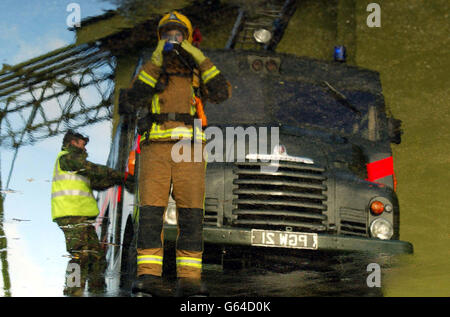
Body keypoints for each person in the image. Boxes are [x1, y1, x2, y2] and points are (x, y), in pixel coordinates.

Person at [121, 11, 231, 296]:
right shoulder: (151, 68)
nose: (173, 39)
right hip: (155, 149)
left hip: (190, 152)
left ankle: (190, 279)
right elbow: (133, 97)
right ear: (160, 39)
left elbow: (222, 91)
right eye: (167, 35)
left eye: (178, 35)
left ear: (187, 37)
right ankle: (148, 276)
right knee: (150, 215)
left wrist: (198, 55)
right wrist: (157, 59)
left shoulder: (197, 71)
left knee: (191, 216)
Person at [51, 130, 134, 296]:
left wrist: (120, 179)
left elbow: (97, 181)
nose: (85, 148)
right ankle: (72, 292)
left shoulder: (75, 164)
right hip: (70, 215)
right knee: (80, 256)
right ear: (73, 143)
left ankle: (97, 291)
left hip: (80, 216)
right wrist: (122, 176)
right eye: (83, 144)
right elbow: (93, 169)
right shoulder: (67, 158)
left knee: (96, 258)